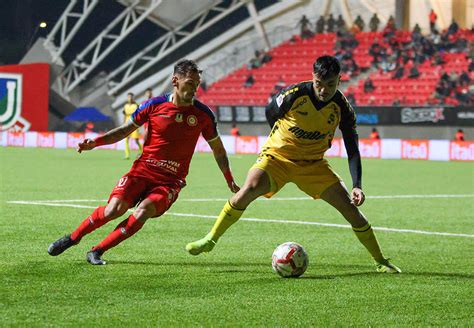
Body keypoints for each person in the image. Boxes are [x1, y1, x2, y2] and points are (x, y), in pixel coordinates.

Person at [186, 56, 401, 274]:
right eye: (319, 83)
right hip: (277, 158)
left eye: (330, 85)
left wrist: (357, 185)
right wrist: (279, 138)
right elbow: (271, 111)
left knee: (351, 210)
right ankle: (210, 239)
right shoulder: (295, 94)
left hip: (313, 165)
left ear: (339, 80)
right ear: (312, 77)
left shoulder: (342, 108)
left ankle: (380, 261)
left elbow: (352, 148)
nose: (324, 90)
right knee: (248, 189)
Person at [47, 59, 240, 265]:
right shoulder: (154, 105)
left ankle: (97, 251)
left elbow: (218, 149)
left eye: (197, 84)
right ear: (175, 80)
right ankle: (73, 238)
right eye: (190, 83)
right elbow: (123, 131)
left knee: (143, 212)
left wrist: (228, 178)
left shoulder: (203, 115)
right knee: (114, 209)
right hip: (142, 171)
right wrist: (95, 142)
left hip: (170, 181)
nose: (194, 89)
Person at [122, 92, 143, 159]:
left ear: (133, 97)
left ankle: (142, 151)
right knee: (126, 140)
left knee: (136, 140)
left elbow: (140, 115)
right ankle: (127, 155)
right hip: (127, 124)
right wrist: (124, 124)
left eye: (131, 97)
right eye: (128, 97)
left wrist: (139, 124)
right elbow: (125, 115)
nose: (130, 98)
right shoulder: (125, 105)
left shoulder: (136, 105)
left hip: (134, 124)